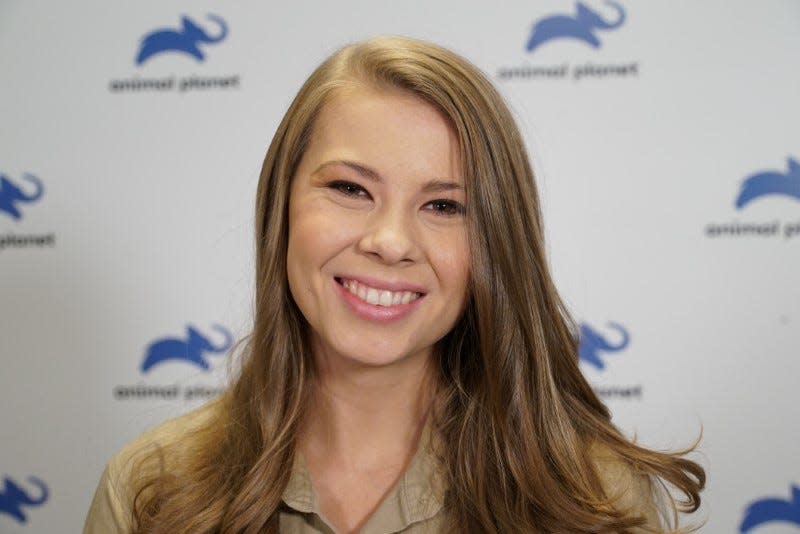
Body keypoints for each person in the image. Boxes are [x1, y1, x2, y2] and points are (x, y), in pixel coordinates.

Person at [84, 36, 705, 533]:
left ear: (494, 242)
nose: (390, 241)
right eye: (350, 189)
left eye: (443, 206)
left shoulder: (593, 499)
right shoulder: (150, 490)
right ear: (281, 206)